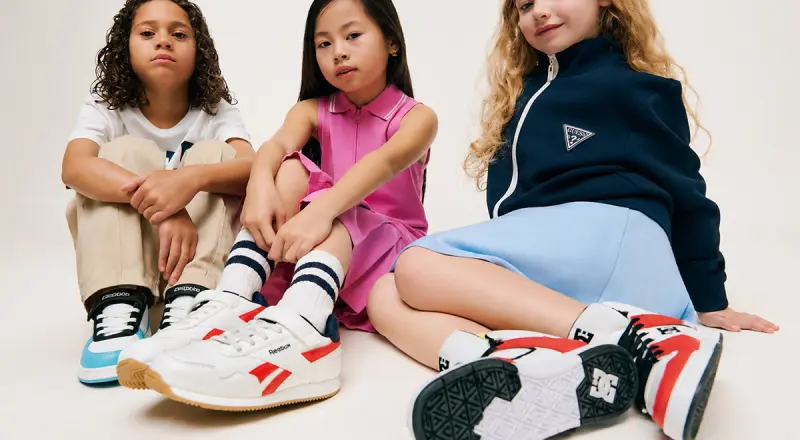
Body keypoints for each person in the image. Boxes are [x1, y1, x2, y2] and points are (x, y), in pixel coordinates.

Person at [366, 1, 780, 440]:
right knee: (384, 293)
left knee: (416, 265)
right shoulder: (523, 95)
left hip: (616, 241)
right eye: (525, 5)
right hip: (568, 282)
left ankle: (638, 341)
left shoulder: (632, 86)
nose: (539, 12)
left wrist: (710, 298)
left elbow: (688, 194)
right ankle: (519, 366)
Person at [118, 0, 438, 410]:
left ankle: (306, 330)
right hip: (318, 248)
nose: (338, 52)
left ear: (392, 43)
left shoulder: (416, 117)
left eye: (353, 36)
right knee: (289, 166)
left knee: (339, 210)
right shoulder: (313, 110)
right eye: (324, 43)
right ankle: (233, 297)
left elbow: (383, 163)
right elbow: (274, 147)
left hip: (386, 251)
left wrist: (320, 212)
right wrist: (259, 190)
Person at [62, 0, 254, 385]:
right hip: (130, 249)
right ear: (125, 47)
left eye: (178, 34)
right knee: (119, 154)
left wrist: (190, 179)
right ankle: (118, 302)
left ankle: (192, 300)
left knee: (218, 157)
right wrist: (166, 208)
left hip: (193, 252)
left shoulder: (214, 111)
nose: (163, 41)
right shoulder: (106, 107)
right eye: (148, 33)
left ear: (199, 51)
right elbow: (74, 167)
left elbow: (254, 168)